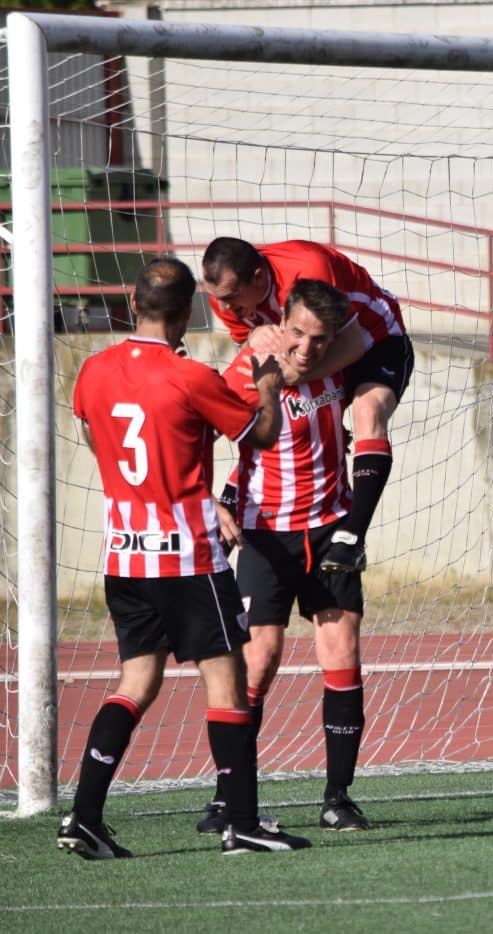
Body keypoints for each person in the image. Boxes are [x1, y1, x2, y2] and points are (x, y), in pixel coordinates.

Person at [61, 257, 310, 858]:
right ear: (186, 313)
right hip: (188, 559)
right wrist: (269, 385)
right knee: (226, 683)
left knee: (136, 682)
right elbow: (262, 434)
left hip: (124, 556)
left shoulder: (93, 370)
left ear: (132, 303)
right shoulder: (191, 376)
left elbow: (95, 434)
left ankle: (83, 818)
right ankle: (242, 823)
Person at [201, 278, 373, 834]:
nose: (305, 347)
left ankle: (337, 798)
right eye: (296, 332)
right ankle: (228, 798)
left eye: (319, 339)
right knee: (260, 657)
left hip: (328, 528)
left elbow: (380, 332)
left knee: (342, 650)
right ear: (283, 322)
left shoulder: (340, 361)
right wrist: (209, 500)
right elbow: (193, 427)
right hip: (264, 531)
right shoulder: (250, 367)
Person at [202, 237, 414, 575]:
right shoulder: (224, 298)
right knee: (259, 418)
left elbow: (352, 342)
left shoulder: (308, 272)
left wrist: (293, 382)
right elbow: (250, 343)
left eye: (230, 299)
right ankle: (216, 534)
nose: (224, 309)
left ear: (258, 279)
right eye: (217, 299)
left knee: (367, 411)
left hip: (373, 337)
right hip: (310, 351)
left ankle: (351, 538)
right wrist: (252, 340)